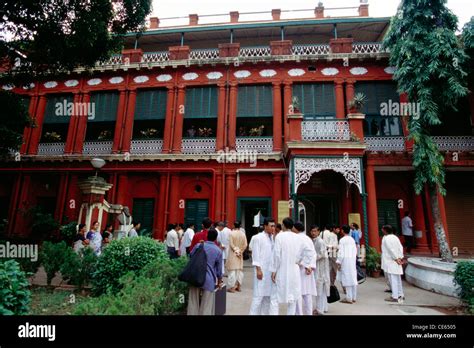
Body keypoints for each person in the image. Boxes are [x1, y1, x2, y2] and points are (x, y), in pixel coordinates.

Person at [270, 217, 305, 315]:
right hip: (294, 270)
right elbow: (302, 254)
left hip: (282, 269)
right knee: (292, 299)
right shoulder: (298, 238)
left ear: (283, 225)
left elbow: (277, 255)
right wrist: (297, 261)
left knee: (274, 298)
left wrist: (274, 270)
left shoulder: (280, 237)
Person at [187, 228, 223, 315]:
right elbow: (219, 269)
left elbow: (191, 255)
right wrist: (219, 281)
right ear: (215, 238)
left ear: (206, 236)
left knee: (193, 302)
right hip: (209, 280)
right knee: (207, 305)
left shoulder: (199, 245)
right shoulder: (218, 250)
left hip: (196, 277)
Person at [249, 218, 278, 315]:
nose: (273, 228)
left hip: (270, 271)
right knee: (258, 297)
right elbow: (255, 255)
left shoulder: (273, 238)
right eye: (271, 226)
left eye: (274, 226)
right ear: (265, 226)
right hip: (261, 270)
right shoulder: (258, 238)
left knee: (267, 297)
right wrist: (258, 270)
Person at [293, 221, 317, 316]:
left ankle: (298, 313)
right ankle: (308, 313)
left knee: (298, 293)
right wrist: (310, 266)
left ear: (296, 229)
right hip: (307, 270)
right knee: (307, 294)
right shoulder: (308, 239)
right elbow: (313, 253)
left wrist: (304, 264)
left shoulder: (296, 238)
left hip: (299, 268)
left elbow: (296, 254)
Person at [309, 225, 330, 315]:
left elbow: (322, 254)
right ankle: (323, 307)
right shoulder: (313, 241)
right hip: (318, 267)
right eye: (312, 231)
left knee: (320, 288)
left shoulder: (320, 242)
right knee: (321, 288)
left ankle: (319, 309)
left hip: (321, 268)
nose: (313, 233)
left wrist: (312, 260)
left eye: (315, 231)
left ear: (318, 232)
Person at [381, 224, 405, 303]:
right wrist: (400, 257)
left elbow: (390, 249)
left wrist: (396, 258)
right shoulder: (395, 237)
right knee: (397, 278)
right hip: (397, 260)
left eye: (383, 229)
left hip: (391, 260)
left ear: (385, 230)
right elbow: (400, 247)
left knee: (393, 278)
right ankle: (400, 294)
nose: (382, 230)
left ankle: (395, 296)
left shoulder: (386, 238)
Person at [336, 225, 358, 304]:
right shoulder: (352, 239)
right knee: (353, 278)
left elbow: (341, 252)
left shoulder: (342, 240)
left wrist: (339, 262)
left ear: (342, 231)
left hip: (345, 261)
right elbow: (355, 250)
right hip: (352, 260)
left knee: (347, 278)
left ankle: (349, 298)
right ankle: (354, 297)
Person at [226, 221, 248, 292]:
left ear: (233, 225)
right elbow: (245, 245)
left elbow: (231, 244)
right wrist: (240, 251)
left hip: (233, 254)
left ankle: (232, 287)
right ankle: (239, 286)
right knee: (239, 271)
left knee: (232, 270)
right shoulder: (243, 234)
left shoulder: (231, 233)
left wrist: (236, 250)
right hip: (239, 254)